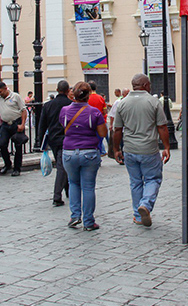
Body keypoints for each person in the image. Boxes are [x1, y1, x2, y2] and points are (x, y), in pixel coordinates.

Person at [113, 73, 170, 227]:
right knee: (153, 179)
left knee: (136, 182)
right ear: (145, 86)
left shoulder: (122, 103)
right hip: (149, 149)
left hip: (130, 149)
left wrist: (116, 149)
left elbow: (117, 129)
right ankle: (145, 204)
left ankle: (138, 216)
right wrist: (166, 147)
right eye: (150, 84)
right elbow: (162, 126)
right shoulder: (153, 102)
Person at [59, 81, 108, 231]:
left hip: (69, 151)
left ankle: (75, 216)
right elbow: (103, 133)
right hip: (89, 152)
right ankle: (88, 221)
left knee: (73, 183)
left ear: (73, 94)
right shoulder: (94, 112)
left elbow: (64, 127)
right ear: (88, 96)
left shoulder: (65, 111)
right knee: (88, 187)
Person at [37, 80, 73, 206]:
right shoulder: (71, 105)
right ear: (68, 91)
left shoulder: (48, 105)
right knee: (62, 167)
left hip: (53, 139)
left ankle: (67, 190)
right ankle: (57, 195)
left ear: (57, 90)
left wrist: (40, 141)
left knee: (63, 164)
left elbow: (42, 124)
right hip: (66, 139)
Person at [0, 81, 28, 177]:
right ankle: (8, 163)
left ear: (5, 89)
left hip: (16, 123)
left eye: (0, 92)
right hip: (5, 124)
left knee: (18, 146)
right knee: (2, 144)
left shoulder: (15, 96)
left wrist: (22, 124)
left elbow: (23, 110)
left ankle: (17, 168)